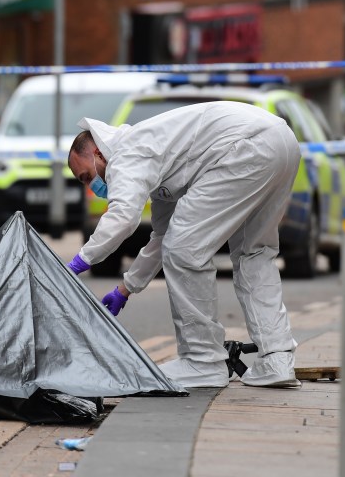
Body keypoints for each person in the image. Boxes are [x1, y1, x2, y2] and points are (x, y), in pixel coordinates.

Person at [64, 100, 302, 389]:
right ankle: (277, 359)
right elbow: (160, 238)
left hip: (244, 147)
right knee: (255, 253)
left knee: (185, 249)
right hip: (281, 141)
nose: (92, 187)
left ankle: (202, 360)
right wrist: (126, 289)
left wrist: (77, 264)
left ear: (99, 153)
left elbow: (123, 217)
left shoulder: (126, 153)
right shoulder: (157, 157)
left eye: (87, 176)